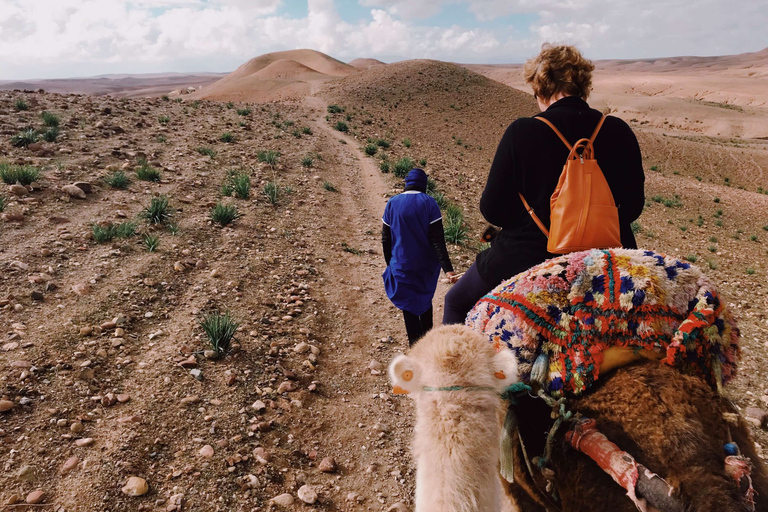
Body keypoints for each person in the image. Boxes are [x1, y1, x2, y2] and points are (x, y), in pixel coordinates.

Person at [443, 43, 645, 325]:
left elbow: (493, 210)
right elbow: (633, 207)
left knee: (455, 302)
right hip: (610, 257)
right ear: (583, 86)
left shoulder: (522, 131)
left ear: (540, 86)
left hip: (528, 255)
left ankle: (451, 369)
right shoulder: (618, 130)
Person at [382, 169, 456, 345]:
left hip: (401, 266)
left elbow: (386, 238)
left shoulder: (392, 203)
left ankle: (415, 347)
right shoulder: (430, 204)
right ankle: (428, 344)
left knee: (409, 306)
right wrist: (448, 269)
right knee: (424, 301)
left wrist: (390, 264)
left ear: (406, 183)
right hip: (425, 268)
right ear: (424, 184)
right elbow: (438, 241)